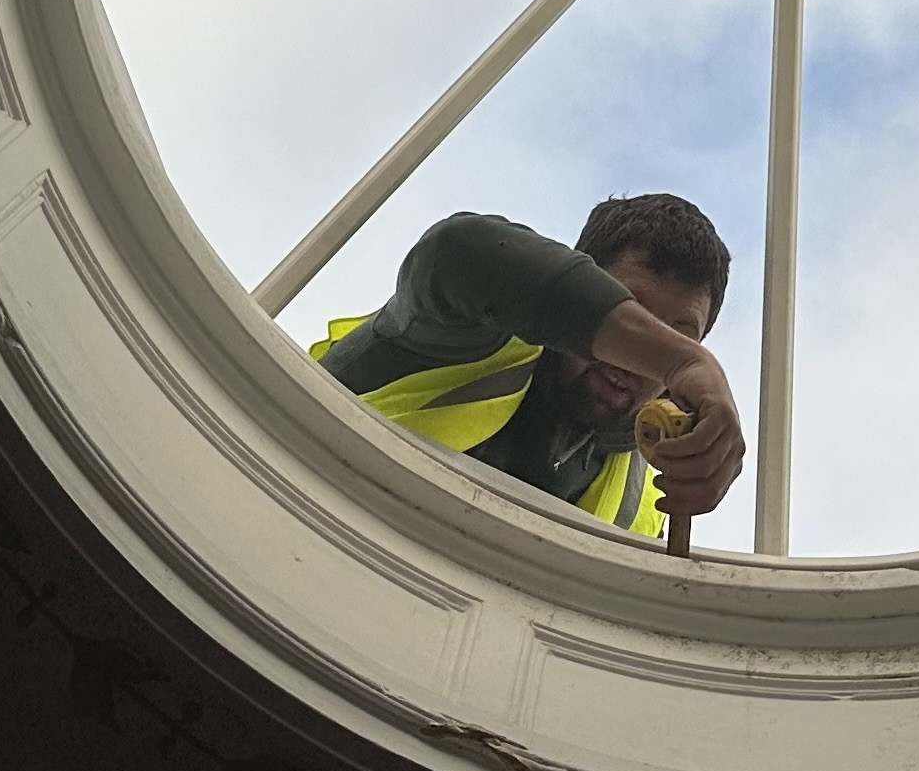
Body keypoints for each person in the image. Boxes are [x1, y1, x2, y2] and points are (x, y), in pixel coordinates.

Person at [310, 195, 745, 539]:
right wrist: (683, 360)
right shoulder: (462, 340)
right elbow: (457, 250)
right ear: (586, 287)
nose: (642, 358)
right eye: (635, 315)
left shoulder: (647, 504)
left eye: (680, 334)